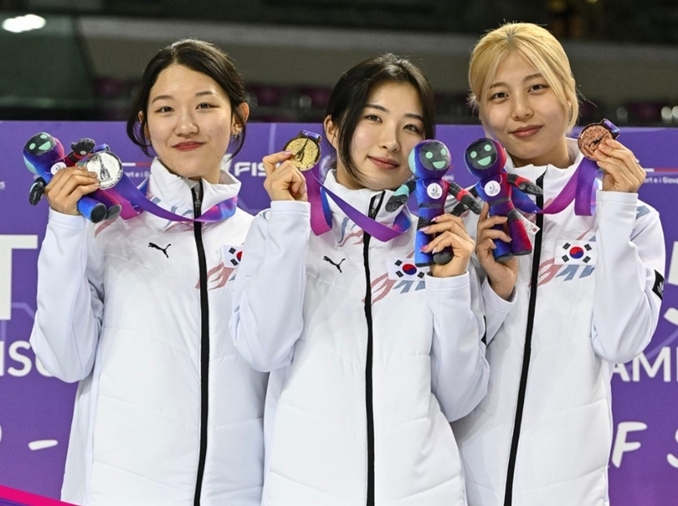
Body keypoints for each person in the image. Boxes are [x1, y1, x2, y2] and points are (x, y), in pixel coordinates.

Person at [229, 53, 494, 506]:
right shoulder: (282, 228)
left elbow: (459, 397)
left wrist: (450, 286)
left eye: (411, 127)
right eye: (374, 118)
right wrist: (290, 221)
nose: (391, 141)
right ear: (333, 129)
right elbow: (262, 348)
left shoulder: (439, 240)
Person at [30, 39, 267, 505]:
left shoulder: (264, 240)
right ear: (143, 123)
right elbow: (63, 359)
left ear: (238, 116)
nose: (185, 125)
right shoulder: (108, 232)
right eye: (164, 109)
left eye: (204, 105)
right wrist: (64, 226)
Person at [450, 22, 666, 506]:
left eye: (537, 87)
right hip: (459, 484)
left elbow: (620, 341)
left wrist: (615, 214)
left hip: (570, 489)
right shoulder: (464, 218)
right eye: (499, 95)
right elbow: (449, 363)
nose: (520, 110)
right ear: (481, 112)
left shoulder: (634, 220)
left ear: (569, 94)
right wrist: (493, 291)